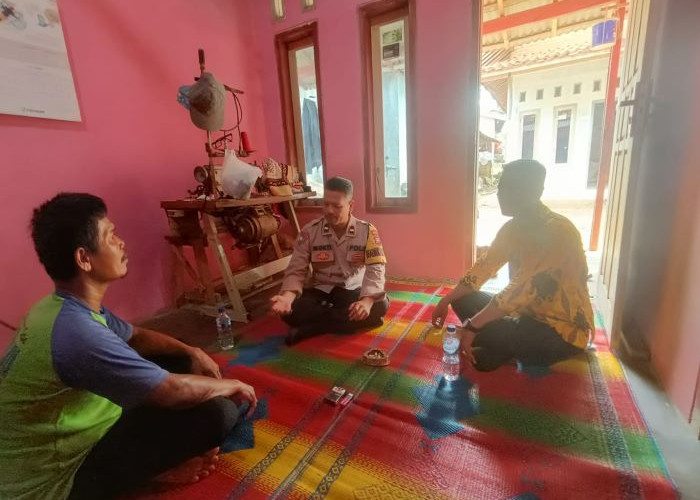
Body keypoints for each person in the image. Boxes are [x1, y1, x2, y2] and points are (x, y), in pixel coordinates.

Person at [0, 193, 257, 500]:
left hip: (82, 427)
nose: (121, 243)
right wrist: (231, 385)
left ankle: (150, 457)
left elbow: (135, 336)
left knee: (178, 355)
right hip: (52, 480)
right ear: (83, 258)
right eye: (110, 236)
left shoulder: (58, 307)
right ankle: (152, 475)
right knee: (219, 412)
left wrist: (193, 352)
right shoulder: (78, 332)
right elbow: (172, 391)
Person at [432, 160, 594, 371]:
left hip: (560, 329)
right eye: (501, 187)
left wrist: (472, 326)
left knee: (513, 334)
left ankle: (497, 346)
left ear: (537, 192)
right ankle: (499, 346)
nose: (502, 194)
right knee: (463, 300)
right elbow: (484, 267)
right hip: (523, 314)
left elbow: (520, 289)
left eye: (512, 188)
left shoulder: (558, 231)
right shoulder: (512, 229)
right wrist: (445, 301)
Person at [270, 176, 389, 345]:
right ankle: (346, 321)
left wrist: (366, 301)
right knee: (292, 311)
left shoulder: (367, 231)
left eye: (336, 206)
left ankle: (312, 329)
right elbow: (297, 269)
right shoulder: (310, 231)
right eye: (325, 204)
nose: (329, 210)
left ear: (351, 206)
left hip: (352, 290)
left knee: (380, 305)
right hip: (322, 290)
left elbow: (376, 268)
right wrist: (287, 298)